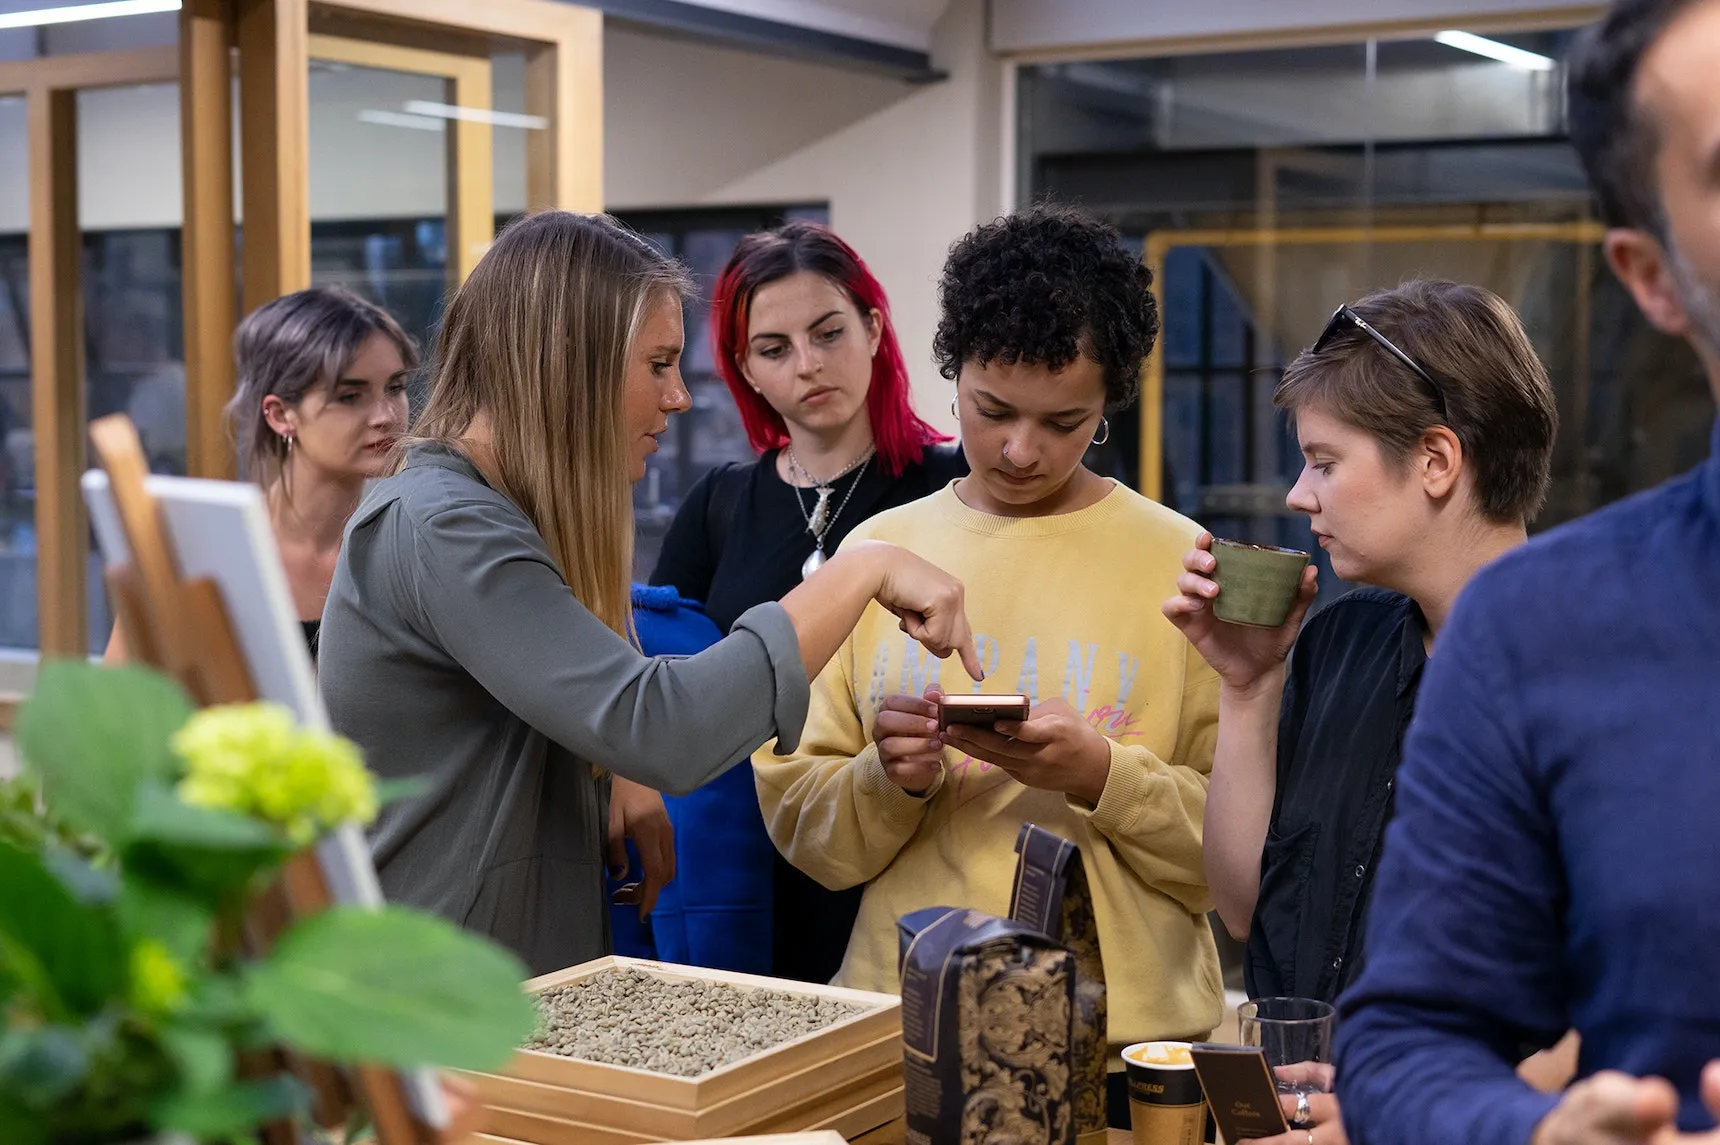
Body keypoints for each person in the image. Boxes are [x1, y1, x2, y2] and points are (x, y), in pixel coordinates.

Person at [317, 210, 981, 976]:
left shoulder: (477, 512)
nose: (680, 397)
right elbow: (666, 726)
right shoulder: (444, 524)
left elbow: (587, 709)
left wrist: (606, 765)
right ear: (573, 363)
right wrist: (863, 569)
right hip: (441, 1003)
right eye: (659, 364)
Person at [1333, 2, 1720, 1143]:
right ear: (1653, 275)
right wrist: (1540, 1133)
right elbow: (1406, 1039)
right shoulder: (1537, 631)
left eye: (1323, 461)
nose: (1305, 497)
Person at [753, 204, 1222, 1128]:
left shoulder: (1181, 563)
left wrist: (1103, 773)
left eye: (1065, 421)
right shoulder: (875, 555)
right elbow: (806, 833)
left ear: (1110, 402)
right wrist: (889, 778)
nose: (1020, 449)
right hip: (907, 1037)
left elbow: (1237, 861)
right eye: (992, 410)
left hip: (1129, 1058)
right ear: (951, 372)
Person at [1161, 280, 1561, 1144]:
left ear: (1436, 460)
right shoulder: (1341, 644)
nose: (1299, 495)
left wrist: (1400, 1111)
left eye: (1325, 461)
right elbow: (1246, 910)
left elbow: (1634, 1008)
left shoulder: (1584, 683)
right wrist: (1247, 688)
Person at [649, 221, 965, 982]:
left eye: (828, 333)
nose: (808, 364)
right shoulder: (718, 505)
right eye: (774, 348)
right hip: (745, 873)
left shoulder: (952, 487)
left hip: (915, 854)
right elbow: (663, 686)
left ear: (874, 329)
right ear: (745, 370)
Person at [106, 285, 416, 661]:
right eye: (349, 397)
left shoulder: (411, 549)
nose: (385, 416)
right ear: (281, 414)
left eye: (395, 387)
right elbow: (115, 690)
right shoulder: (200, 547)